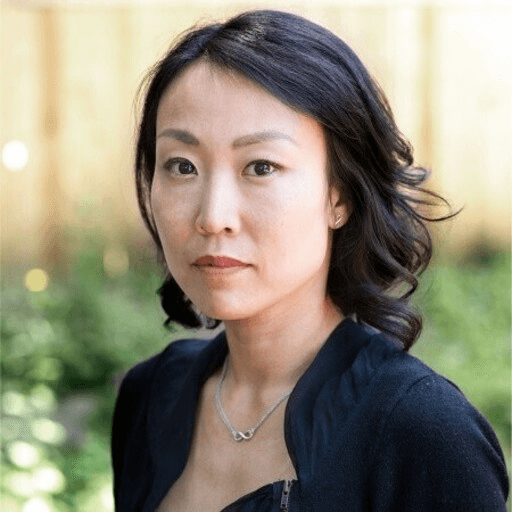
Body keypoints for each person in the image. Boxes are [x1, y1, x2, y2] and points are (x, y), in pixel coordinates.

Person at [111, 9, 509, 512]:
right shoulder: (149, 397)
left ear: (339, 195)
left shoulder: (423, 433)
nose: (213, 217)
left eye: (261, 166)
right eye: (182, 166)